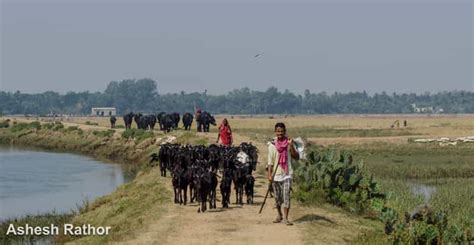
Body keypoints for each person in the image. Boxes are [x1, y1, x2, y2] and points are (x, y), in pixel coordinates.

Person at [267, 122, 299, 225]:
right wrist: (269, 175)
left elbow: (296, 157)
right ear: (275, 132)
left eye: (282, 131)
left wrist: (291, 146)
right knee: (277, 198)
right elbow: (270, 162)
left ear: (285, 131)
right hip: (276, 175)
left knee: (286, 196)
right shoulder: (272, 145)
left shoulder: (289, 143)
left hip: (287, 173)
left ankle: (285, 218)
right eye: (278, 131)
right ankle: (279, 215)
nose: (280, 133)